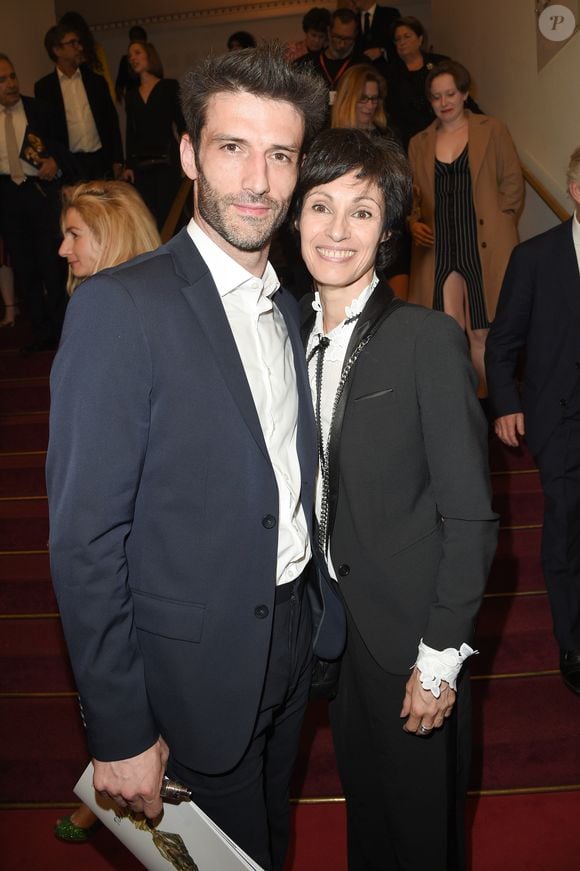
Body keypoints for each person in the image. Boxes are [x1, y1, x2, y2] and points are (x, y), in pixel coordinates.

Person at [46, 44, 343, 871]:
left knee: (267, 845)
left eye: (280, 154)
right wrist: (120, 727)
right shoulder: (119, 308)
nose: (258, 178)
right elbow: (83, 542)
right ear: (188, 154)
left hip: (290, 638)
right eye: (232, 147)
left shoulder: (289, 306)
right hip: (190, 669)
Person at [295, 127, 498, 870]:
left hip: (412, 638)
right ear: (296, 220)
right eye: (321, 206)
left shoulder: (424, 339)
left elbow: (471, 514)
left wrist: (440, 656)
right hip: (335, 636)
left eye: (362, 210)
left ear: (386, 231)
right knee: (368, 828)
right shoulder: (287, 334)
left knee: (421, 839)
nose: (338, 230)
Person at [53, 180, 160, 843]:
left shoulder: (101, 305)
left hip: (133, 550)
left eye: (73, 235)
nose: (61, 249)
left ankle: (108, 787)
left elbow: (84, 521)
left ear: (109, 235)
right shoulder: (160, 297)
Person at [486, 146, 580, 696]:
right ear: (575, 190)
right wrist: (507, 403)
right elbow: (503, 344)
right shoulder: (536, 258)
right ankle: (572, 640)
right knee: (566, 525)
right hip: (561, 419)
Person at [408, 60, 523, 396]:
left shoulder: (493, 129)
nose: (444, 103)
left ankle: (488, 408)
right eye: (436, 97)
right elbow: (411, 198)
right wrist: (413, 222)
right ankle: (460, 407)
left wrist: (502, 218)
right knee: (449, 330)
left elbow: (513, 183)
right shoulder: (418, 142)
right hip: (438, 245)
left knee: (482, 332)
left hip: (481, 242)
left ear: (465, 93)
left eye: (451, 94)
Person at [0, 53, 69, 351]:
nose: (11, 83)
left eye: (12, 76)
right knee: (24, 267)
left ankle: (62, 332)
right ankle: (40, 333)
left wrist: (55, 161)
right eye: (2, 80)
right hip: (6, 195)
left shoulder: (38, 109)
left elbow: (62, 147)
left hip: (38, 192)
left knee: (51, 264)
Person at [35, 23, 123, 181]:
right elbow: (45, 132)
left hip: (100, 161)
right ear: (57, 50)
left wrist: (118, 159)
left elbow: (111, 122)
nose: (80, 47)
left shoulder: (96, 82)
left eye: (79, 42)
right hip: (69, 164)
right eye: (72, 43)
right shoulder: (44, 88)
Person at [122, 40, 185, 229]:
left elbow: (182, 125)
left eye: (137, 53)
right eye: (130, 55)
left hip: (168, 161)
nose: (132, 58)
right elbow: (130, 133)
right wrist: (128, 166)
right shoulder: (131, 95)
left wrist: (187, 157)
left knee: (172, 214)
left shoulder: (169, 86)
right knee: (149, 217)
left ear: (150, 55)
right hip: (141, 166)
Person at [296, 8, 367, 109]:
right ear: (329, 32)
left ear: (355, 35)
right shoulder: (306, 64)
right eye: (337, 37)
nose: (342, 44)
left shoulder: (363, 65)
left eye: (348, 39)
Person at [115, 25, 146, 103]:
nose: (135, 40)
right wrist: (119, 92)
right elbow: (120, 80)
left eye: (138, 37)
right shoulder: (126, 60)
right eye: (133, 37)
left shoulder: (149, 57)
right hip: (132, 97)